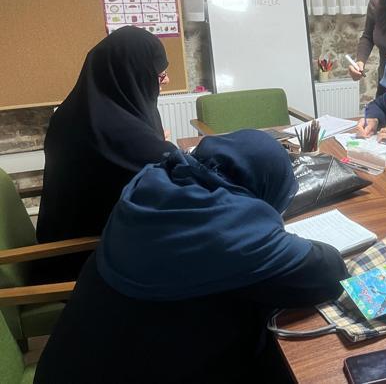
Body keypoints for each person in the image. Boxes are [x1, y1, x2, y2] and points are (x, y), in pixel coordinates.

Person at [34, 130, 349, 384]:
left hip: (69, 365)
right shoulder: (229, 230)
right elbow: (328, 272)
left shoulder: (151, 186)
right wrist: (273, 233)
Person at [36, 26, 176, 282]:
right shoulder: (107, 128)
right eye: (159, 74)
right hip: (85, 261)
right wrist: (163, 150)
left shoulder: (81, 110)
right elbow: (169, 166)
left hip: (85, 238)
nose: (165, 81)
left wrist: (155, 146)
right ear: (131, 75)